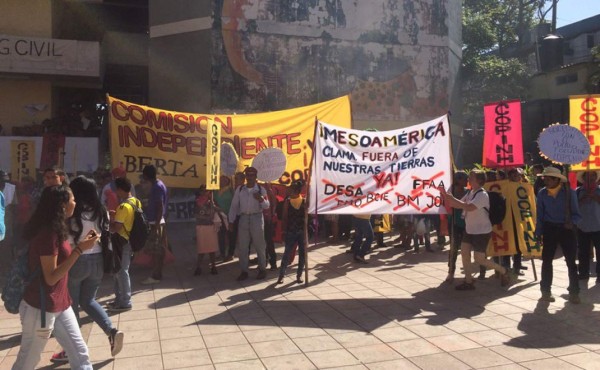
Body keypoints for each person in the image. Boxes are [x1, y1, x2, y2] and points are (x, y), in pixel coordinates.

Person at [13, 186, 99, 369]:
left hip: (60, 302)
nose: (75, 203)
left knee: (80, 354)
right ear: (62, 205)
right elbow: (51, 277)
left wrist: (80, 246)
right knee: (28, 360)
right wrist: (79, 250)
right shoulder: (47, 234)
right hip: (41, 308)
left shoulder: (57, 228)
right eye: (72, 199)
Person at [51, 177, 124, 363]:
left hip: (76, 259)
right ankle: (111, 331)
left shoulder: (72, 212)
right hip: (98, 260)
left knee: (71, 304)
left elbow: (63, 238)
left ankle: (71, 349)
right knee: (88, 300)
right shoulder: (101, 211)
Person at [440, 170, 512, 290]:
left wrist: (450, 198)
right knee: (464, 253)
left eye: (471, 177)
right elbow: (456, 204)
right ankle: (469, 281)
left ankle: (503, 270)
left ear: (478, 180)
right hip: (470, 229)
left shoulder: (482, 195)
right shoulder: (470, 193)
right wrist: (445, 194)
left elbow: (469, 207)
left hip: (482, 231)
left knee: (479, 259)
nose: (468, 178)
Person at [535, 166, 581, 303]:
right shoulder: (542, 193)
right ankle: (545, 291)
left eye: (548, 179)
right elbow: (540, 215)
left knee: (571, 262)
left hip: (566, 230)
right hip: (549, 229)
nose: (546, 181)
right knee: (547, 261)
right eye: (545, 178)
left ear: (557, 179)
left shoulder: (569, 193)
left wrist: (571, 223)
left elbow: (577, 215)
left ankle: (574, 292)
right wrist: (538, 232)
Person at [228, 167, 270, 281]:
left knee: (260, 245)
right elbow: (234, 206)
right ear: (246, 177)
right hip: (243, 218)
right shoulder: (240, 189)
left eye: (252, 175)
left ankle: (262, 269)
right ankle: (244, 271)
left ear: (256, 177)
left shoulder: (261, 190)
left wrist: (261, 199)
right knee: (243, 246)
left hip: (257, 217)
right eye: (248, 175)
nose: (250, 177)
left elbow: (267, 205)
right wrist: (231, 221)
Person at [108, 177, 141, 311]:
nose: (116, 192)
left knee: (121, 271)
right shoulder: (135, 202)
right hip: (130, 240)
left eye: (116, 189)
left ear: (121, 190)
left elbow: (117, 227)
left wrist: (110, 221)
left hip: (121, 242)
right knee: (120, 271)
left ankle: (125, 301)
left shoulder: (123, 206)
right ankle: (119, 299)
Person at [140, 165, 168, 285]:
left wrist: (155, 226)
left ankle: (156, 276)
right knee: (159, 249)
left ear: (146, 175)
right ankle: (158, 274)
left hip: (156, 222)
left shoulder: (156, 187)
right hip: (159, 221)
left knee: (156, 250)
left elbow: (160, 206)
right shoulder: (160, 184)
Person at [276, 180, 306, 284]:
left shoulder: (304, 201)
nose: (288, 190)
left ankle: (299, 275)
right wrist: (283, 232)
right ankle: (281, 276)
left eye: (290, 189)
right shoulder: (287, 202)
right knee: (287, 254)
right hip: (290, 232)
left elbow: (308, 216)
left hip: (302, 232)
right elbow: (284, 218)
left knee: (302, 255)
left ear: (295, 191)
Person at [575, 170, 600, 283]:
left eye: (593, 177)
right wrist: (582, 200)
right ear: (584, 179)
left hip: (598, 225)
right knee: (583, 252)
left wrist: (596, 198)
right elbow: (573, 207)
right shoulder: (578, 191)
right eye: (588, 177)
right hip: (582, 226)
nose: (591, 179)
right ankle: (583, 273)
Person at [194, 185, 224, 275]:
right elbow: (197, 214)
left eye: (208, 191)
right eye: (203, 191)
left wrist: (213, 203)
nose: (206, 192)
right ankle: (198, 267)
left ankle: (213, 266)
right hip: (201, 227)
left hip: (210, 227)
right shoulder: (197, 202)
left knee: (212, 249)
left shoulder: (211, 202)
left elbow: (219, 210)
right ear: (200, 192)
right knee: (201, 249)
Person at [445, 171, 468, 283]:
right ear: (458, 180)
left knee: (466, 249)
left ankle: (471, 273)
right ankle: (451, 272)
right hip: (454, 223)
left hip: (467, 224)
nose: (467, 181)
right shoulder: (450, 192)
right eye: (465, 178)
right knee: (453, 248)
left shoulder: (469, 192)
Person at [213, 175, 235, 260]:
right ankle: (222, 253)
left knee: (230, 235)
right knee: (221, 236)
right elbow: (213, 200)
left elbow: (235, 202)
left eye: (225, 179)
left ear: (228, 180)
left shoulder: (231, 190)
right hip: (219, 216)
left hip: (230, 216)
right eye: (221, 179)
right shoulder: (215, 190)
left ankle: (230, 254)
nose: (223, 181)